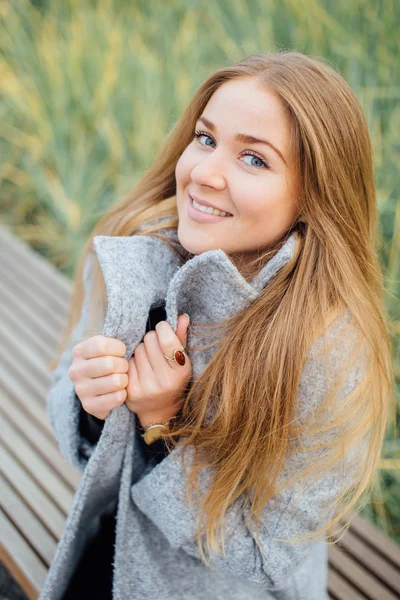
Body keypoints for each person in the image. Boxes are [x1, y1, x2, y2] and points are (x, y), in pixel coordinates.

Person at [40, 51, 394, 600]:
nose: (204, 173)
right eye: (205, 139)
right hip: (109, 549)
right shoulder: (134, 254)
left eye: (254, 159)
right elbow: (66, 386)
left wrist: (163, 423)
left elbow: (266, 556)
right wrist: (92, 407)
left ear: (312, 194)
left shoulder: (327, 347)